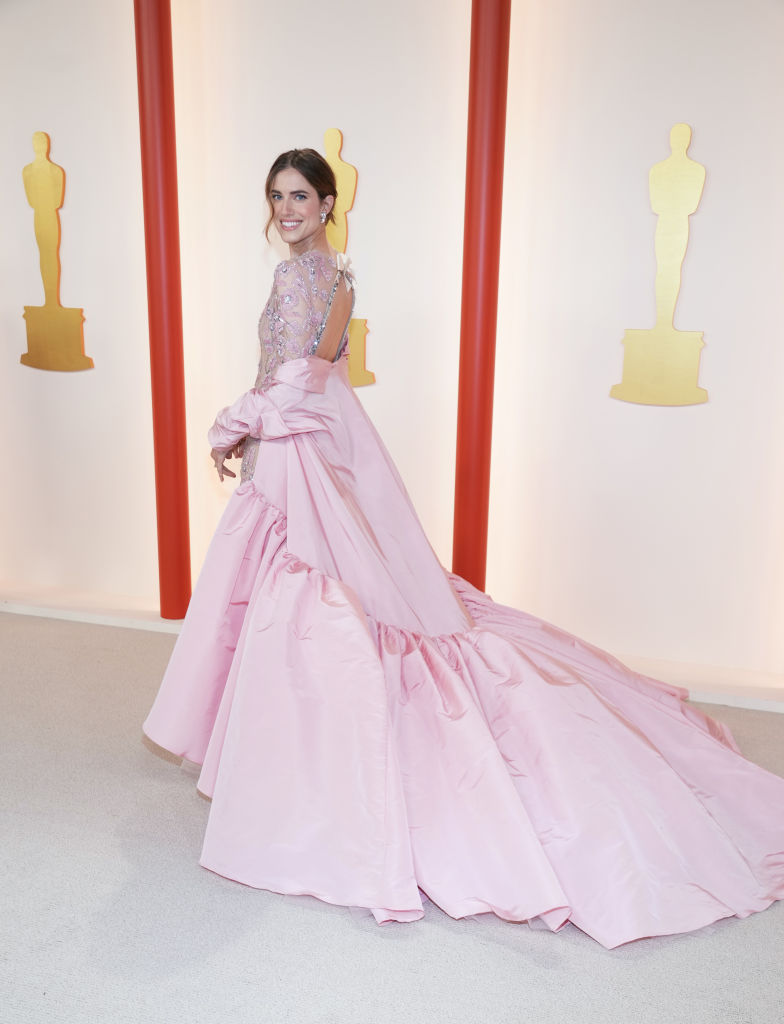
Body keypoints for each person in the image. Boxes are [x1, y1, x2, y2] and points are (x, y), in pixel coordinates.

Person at [143, 148, 784, 949]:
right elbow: (315, 374)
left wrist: (238, 422)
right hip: (324, 439)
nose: (286, 210)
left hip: (302, 439)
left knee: (304, 602)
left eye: (300, 196)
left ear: (329, 200)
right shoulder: (342, 278)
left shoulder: (298, 278)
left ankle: (299, 780)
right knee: (341, 594)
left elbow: (300, 373)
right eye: (277, 197)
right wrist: (259, 422)